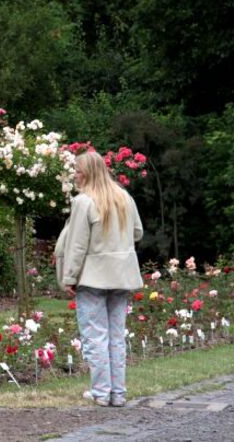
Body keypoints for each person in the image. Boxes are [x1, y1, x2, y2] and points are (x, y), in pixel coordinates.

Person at [54, 151, 143, 407]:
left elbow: (78, 245)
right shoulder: (124, 197)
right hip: (121, 276)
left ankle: (101, 393)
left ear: (88, 173)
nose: (75, 174)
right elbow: (137, 232)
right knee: (116, 336)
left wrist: (69, 277)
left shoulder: (84, 201)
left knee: (95, 337)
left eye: (78, 170)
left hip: (92, 278)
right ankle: (118, 393)